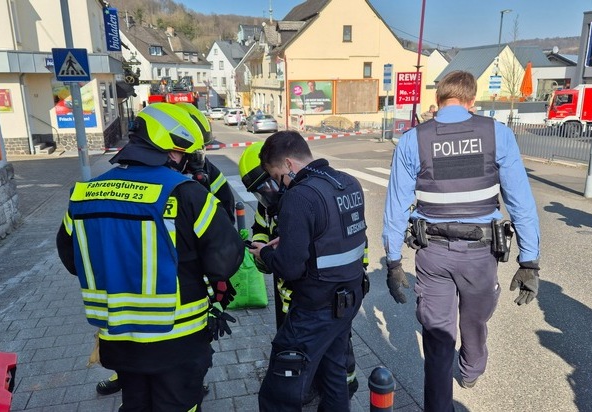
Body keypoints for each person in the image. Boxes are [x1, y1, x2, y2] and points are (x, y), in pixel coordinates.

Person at [57, 102, 244, 411]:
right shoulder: (187, 193)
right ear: (172, 150)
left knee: (135, 404)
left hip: (117, 335)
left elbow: (71, 257)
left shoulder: (84, 194)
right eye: (189, 154)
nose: (190, 163)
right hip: (177, 337)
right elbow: (224, 261)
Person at [382, 70, 541, 412]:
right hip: (480, 256)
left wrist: (393, 262)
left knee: (437, 337)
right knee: (474, 319)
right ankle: (471, 369)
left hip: (432, 254)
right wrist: (529, 261)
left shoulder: (414, 140)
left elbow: (395, 208)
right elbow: (520, 202)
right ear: (472, 102)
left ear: (438, 102)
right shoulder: (497, 134)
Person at [249, 131, 367, 411]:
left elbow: (290, 268)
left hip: (315, 308)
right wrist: (290, 241)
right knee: (335, 377)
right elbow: (336, 237)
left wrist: (265, 252)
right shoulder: (348, 183)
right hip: (348, 298)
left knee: (279, 389)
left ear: (289, 164)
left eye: (277, 176)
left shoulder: (299, 196)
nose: (280, 185)